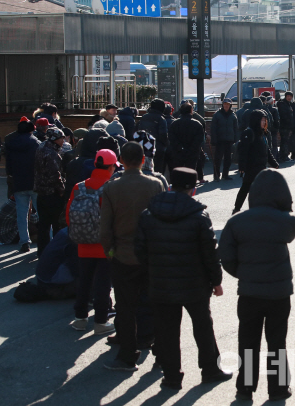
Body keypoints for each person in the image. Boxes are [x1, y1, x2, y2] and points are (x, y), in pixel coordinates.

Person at [135, 167, 232, 390]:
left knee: (166, 330)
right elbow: (210, 253)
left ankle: (171, 376)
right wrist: (216, 281)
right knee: (203, 326)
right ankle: (210, 369)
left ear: (171, 184)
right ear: (192, 189)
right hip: (194, 283)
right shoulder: (199, 216)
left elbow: (140, 249)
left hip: (160, 281)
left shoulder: (149, 214)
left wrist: (153, 270)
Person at [220, 169, 295, 402]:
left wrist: (242, 273)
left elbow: (225, 256)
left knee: (248, 341)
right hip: (279, 292)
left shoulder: (236, 222)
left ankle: (245, 387)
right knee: (277, 341)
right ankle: (277, 388)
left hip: (249, 291)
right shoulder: (286, 221)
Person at [100, 142, 165, 371]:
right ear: (143, 159)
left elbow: (105, 229)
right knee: (155, 303)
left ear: (122, 161)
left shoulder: (111, 188)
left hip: (123, 254)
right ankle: (160, 352)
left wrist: (110, 252)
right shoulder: (156, 185)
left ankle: (128, 355)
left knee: (126, 307)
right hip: (151, 254)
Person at [67, 150, 117, 336]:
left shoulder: (79, 187)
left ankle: (80, 319)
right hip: (105, 246)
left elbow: (68, 215)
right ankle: (100, 322)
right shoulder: (111, 187)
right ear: (111, 166)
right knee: (103, 284)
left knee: (84, 281)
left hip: (83, 243)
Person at [5, 117, 40, 253]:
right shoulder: (36, 143)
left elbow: (9, 165)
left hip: (19, 182)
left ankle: (24, 241)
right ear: (31, 130)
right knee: (41, 212)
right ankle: (46, 239)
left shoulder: (11, 144)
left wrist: (11, 176)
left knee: (22, 213)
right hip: (34, 182)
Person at [234, 109, 279, 214]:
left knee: (256, 189)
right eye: (262, 120)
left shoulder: (262, 134)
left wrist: (274, 163)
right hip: (251, 167)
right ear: (256, 120)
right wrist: (242, 166)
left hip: (261, 167)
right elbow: (243, 151)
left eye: (265, 121)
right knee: (246, 189)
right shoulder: (249, 133)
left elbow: (267, 150)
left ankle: (258, 211)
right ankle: (238, 210)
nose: (264, 123)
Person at [33, 127, 67, 258]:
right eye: (61, 138)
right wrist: (62, 190)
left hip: (41, 193)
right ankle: (56, 252)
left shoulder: (41, 148)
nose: (63, 141)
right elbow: (55, 175)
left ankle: (42, 252)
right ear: (54, 139)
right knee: (56, 224)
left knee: (44, 225)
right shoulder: (52, 153)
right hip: (52, 194)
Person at [169, 102, 204, 173]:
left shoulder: (174, 124)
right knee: (191, 171)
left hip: (178, 152)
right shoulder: (197, 124)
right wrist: (192, 148)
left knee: (178, 172)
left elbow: (171, 138)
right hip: (192, 153)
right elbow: (199, 139)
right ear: (191, 110)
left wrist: (180, 147)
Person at [137, 98, 169, 173]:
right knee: (158, 169)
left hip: (144, 147)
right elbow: (163, 134)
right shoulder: (161, 119)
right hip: (158, 148)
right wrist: (167, 144)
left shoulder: (144, 117)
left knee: (145, 168)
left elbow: (139, 131)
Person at [211, 98, 239, 181]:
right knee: (218, 159)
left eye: (228, 104)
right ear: (222, 105)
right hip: (220, 140)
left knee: (228, 159)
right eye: (225, 104)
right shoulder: (217, 114)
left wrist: (236, 140)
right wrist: (214, 140)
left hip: (229, 140)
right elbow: (213, 128)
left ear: (230, 105)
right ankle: (216, 175)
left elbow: (236, 129)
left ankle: (225, 174)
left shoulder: (233, 115)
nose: (226, 106)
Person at [277, 92, 294, 162]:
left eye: (290, 96)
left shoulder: (288, 104)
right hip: (284, 125)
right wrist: (289, 121)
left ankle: (283, 155)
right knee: (284, 141)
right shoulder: (283, 104)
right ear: (285, 96)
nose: (289, 97)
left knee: (285, 141)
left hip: (287, 125)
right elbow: (284, 115)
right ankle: (284, 156)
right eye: (288, 96)